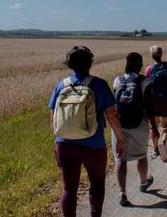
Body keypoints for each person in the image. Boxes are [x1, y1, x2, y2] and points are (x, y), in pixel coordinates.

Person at [49, 46, 125, 217]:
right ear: (90, 63)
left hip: (65, 144)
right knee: (97, 183)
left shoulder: (61, 86)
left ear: (69, 64)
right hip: (93, 145)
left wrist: (57, 143)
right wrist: (121, 139)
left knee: (69, 188)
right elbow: (112, 115)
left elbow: (53, 119)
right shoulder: (99, 85)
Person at [112, 52, 159, 207]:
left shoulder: (117, 80)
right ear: (140, 65)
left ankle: (122, 193)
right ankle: (144, 182)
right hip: (139, 124)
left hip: (119, 126)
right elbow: (149, 107)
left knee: (120, 158)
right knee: (141, 155)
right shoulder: (145, 81)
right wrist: (154, 127)